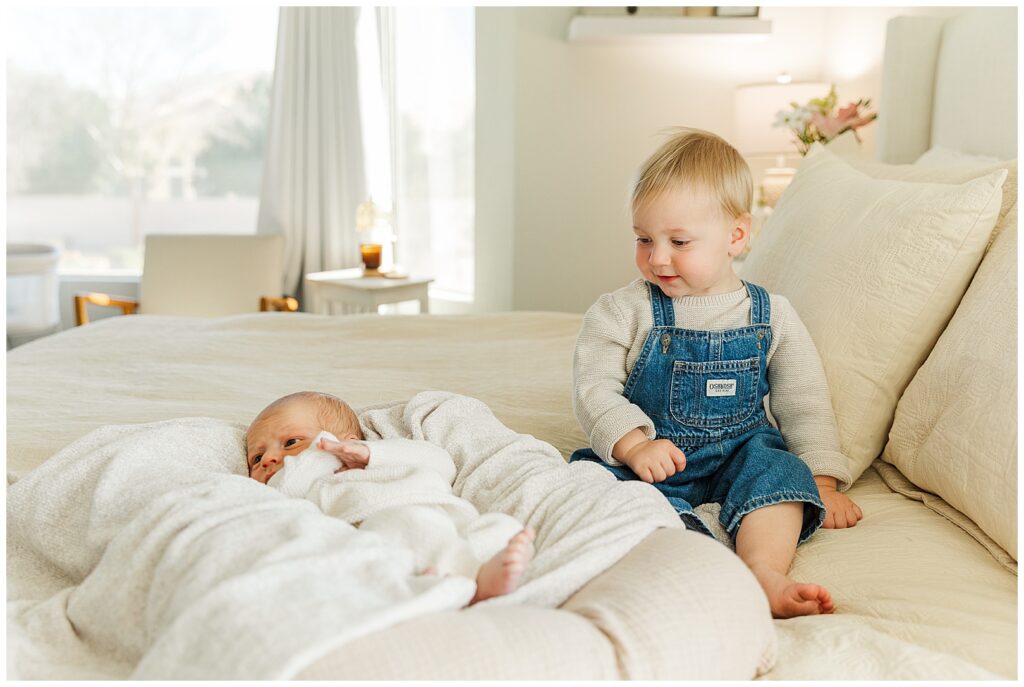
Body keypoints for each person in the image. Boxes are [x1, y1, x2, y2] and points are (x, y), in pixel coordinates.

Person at [570, 127, 862, 618]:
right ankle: (685, 560)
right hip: (655, 459)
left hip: (742, 453)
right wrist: (633, 444)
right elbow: (593, 389)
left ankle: (764, 571)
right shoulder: (621, 313)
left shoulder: (772, 315)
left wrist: (824, 479)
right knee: (594, 489)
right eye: (644, 239)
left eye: (679, 241)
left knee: (782, 475)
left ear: (737, 236)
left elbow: (802, 398)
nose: (657, 258)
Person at [245, 391, 535, 605]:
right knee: (404, 525)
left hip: (450, 516)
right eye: (256, 457)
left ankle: (480, 565)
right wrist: (310, 457)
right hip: (387, 529)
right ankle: (470, 582)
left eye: (291, 442)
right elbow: (287, 493)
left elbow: (441, 463)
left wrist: (371, 454)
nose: (269, 458)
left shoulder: (386, 454)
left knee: (502, 527)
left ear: (346, 439)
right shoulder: (307, 485)